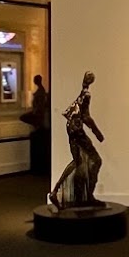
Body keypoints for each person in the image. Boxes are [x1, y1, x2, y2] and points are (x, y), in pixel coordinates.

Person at [49, 71, 104, 208]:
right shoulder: (86, 95)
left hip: (71, 129)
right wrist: (97, 133)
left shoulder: (82, 93)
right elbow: (86, 117)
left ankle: (55, 191)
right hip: (77, 131)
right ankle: (88, 196)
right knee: (96, 160)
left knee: (77, 161)